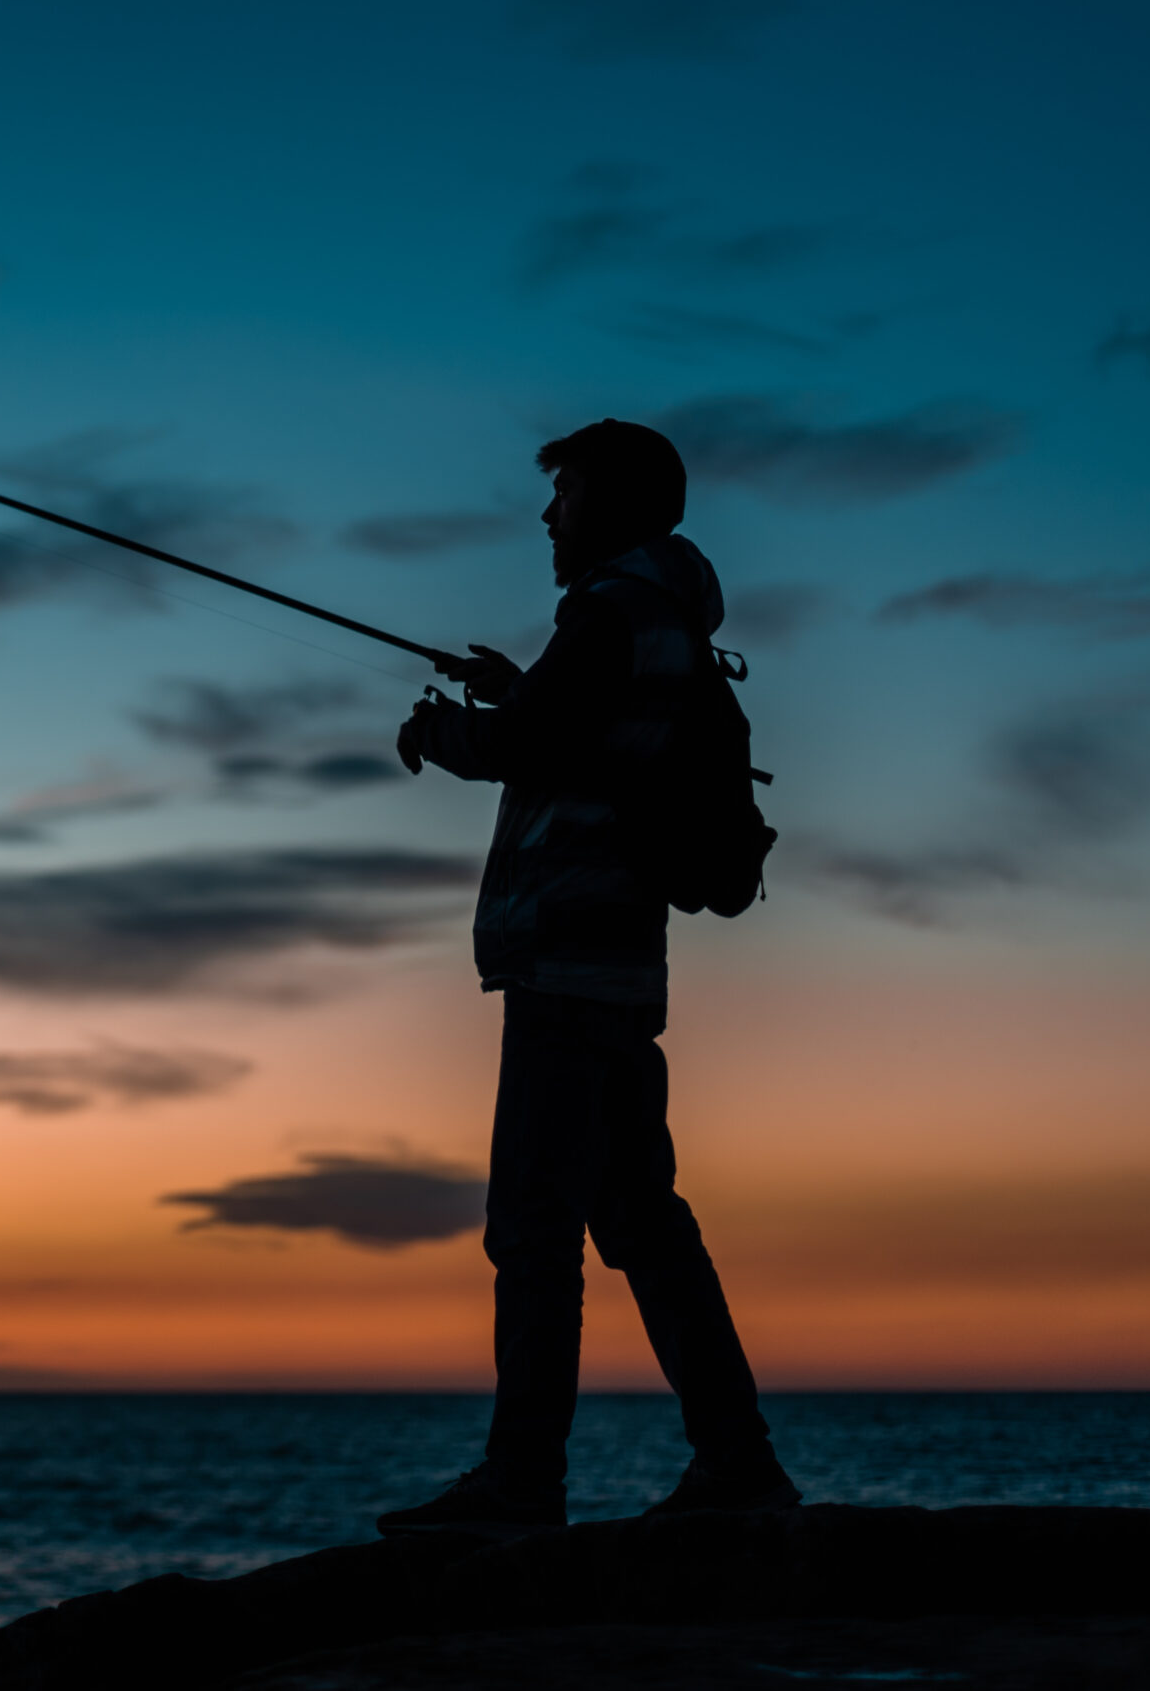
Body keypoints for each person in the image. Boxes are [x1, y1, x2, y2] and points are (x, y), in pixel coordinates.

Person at [376, 419, 798, 1538]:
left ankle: (520, 1487)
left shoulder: (606, 608)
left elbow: (529, 746)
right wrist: (517, 693)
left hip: (566, 958)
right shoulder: (665, 620)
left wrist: (446, 730)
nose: (546, 516)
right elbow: (584, 730)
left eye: (561, 494)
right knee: (645, 1224)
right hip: (620, 962)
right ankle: (739, 1463)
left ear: (609, 505)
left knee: (533, 1229)